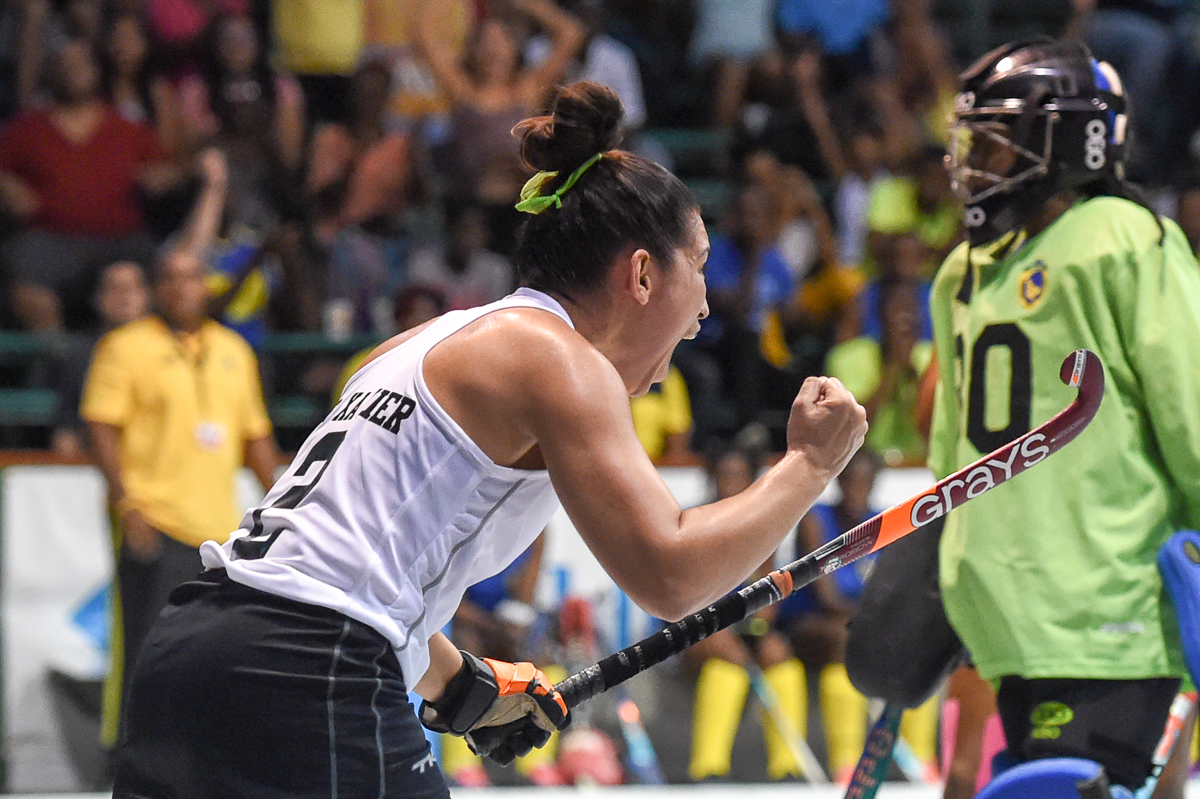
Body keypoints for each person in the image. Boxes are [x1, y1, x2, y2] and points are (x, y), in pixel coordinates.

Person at [110, 80, 868, 799]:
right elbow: (670, 576)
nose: (702, 306)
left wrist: (462, 686)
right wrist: (808, 465)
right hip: (310, 666)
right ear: (641, 273)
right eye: (697, 266)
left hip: (191, 654)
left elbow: (341, 568)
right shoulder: (558, 359)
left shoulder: (424, 341)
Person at [930, 38, 1200, 797]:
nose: (971, 161)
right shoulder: (1127, 237)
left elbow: (946, 456)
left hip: (1004, 607)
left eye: (993, 141)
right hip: (1107, 601)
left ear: (1061, 142)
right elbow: (1193, 415)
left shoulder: (960, 270)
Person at [81, 181, 280, 754]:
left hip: (220, 533)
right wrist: (127, 503)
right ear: (156, 288)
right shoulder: (125, 347)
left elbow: (256, 439)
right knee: (144, 647)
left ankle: (200, 760)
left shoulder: (233, 352)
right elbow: (101, 428)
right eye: (169, 277)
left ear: (206, 285)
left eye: (192, 276)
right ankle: (128, 760)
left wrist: (293, 504)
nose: (181, 287)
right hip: (155, 519)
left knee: (213, 652)